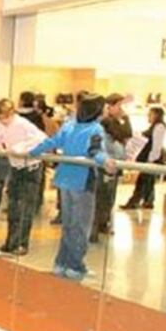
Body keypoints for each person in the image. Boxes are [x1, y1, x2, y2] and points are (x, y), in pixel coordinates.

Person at [29, 93, 115, 281]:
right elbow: (95, 151)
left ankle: (62, 263)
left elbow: (52, 142)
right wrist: (106, 161)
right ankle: (75, 266)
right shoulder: (95, 129)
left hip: (64, 180)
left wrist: (32, 152)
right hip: (82, 182)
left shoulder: (69, 125)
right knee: (81, 227)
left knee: (69, 225)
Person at [0, 98, 46, 255]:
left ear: (11, 113)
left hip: (30, 167)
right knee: (13, 206)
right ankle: (10, 241)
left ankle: (21, 243)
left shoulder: (23, 124)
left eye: (5, 117)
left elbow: (41, 138)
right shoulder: (0, 124)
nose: (3, 121)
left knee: (25, 207)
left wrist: (20, 148)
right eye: (0, 118)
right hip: (15, 166)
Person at [93, 93, 133, 240]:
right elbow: (125, 133)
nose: (121, 109)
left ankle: (103, 223)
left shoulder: (112, 121)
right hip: (106, 163)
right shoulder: (107, 122)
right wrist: (125, 118)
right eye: (119, 105)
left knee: (108, 196)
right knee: (103, 196)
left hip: (113, 162)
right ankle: (97, 226)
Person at [122, 105, 166, 209]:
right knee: (147, 181)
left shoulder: (159, 127)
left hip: (151, 159)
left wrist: (151, 159)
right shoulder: (154, 127)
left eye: (150, 114)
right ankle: (147, 201)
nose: (148, 116)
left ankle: (136, 201)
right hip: (150, 158)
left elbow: (156, 145)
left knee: (144, 181)